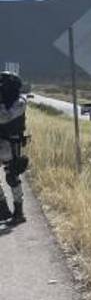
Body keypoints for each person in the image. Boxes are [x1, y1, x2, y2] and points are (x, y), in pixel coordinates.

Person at [0, 71, 28, 225]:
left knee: (12, 177)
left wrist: (2, 103)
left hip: (12, 144)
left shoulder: (20, 101)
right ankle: (3, 209)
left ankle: (19, 212)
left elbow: (5, 117)